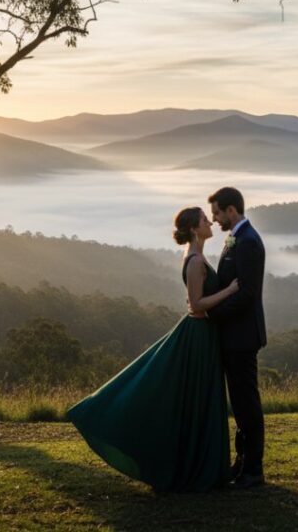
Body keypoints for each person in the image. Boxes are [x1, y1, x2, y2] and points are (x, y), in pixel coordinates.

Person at [66, 207, 237, 492]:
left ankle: (203, 465)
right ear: (195, 229)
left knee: (197, 399)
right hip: (198, 335)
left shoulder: (196, 256)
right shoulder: (195, 261)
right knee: (196, 398)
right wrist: (229, 291)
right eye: (205, 220)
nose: (210, 222)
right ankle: (197, 468)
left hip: (202, 334)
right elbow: (196, 304)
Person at [191, 187, 267, 489]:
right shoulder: (237, 238)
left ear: (232, 211)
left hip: (242, 337)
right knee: (239, 402)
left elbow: (247, 295)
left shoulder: (248, 242)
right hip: (233, 336)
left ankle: (254, 469)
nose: (215, 219)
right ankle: (241, 462)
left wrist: (211, 314)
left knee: (247, 403)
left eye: (217, 214)